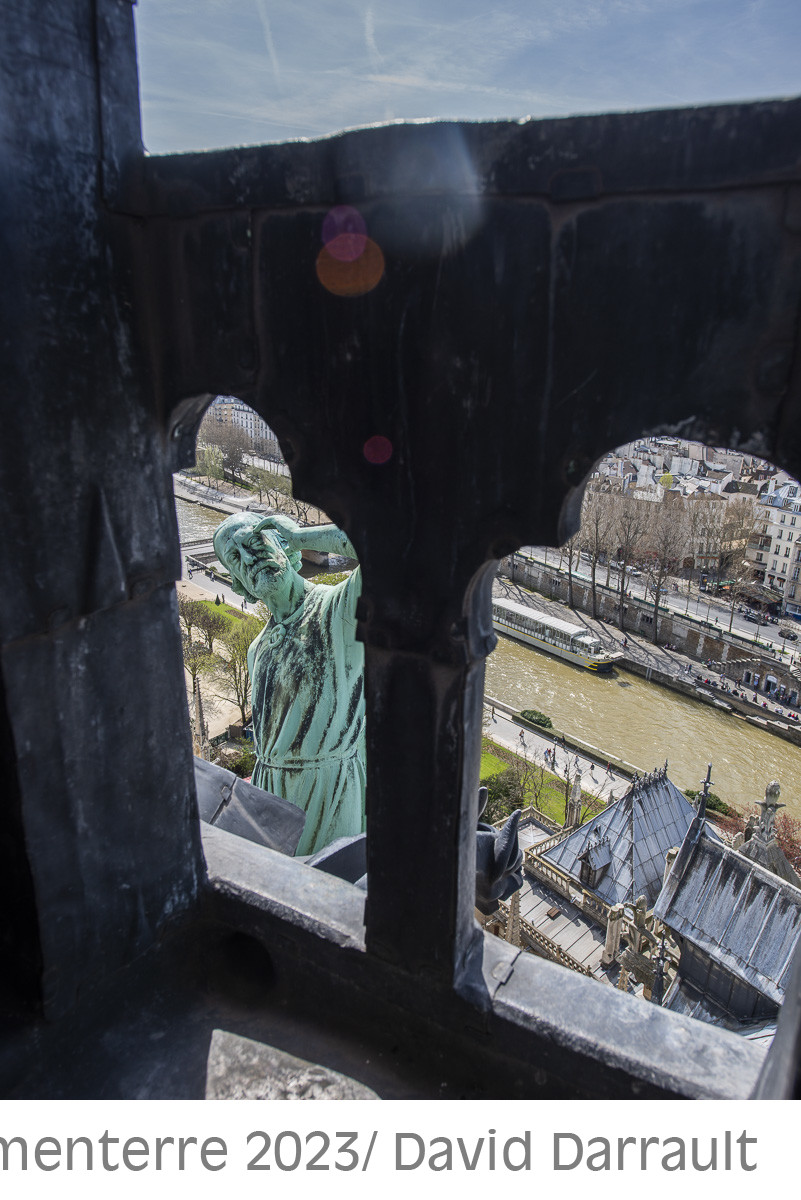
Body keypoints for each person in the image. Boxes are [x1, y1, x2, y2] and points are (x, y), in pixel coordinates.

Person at [212, 511, 364, 856]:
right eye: (235, 556)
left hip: (330, 792)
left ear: (286, 547)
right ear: (239, 584)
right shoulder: (256, 649)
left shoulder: (339, 608)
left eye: (256, 541)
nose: (250, 558)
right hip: (271, 794)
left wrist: (300, 536)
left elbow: (390, 548)